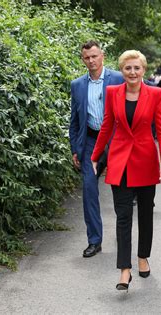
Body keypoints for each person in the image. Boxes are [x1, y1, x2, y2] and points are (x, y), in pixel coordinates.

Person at [90, 50, 161, 291]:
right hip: (120, 161)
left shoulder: (155, 94)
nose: (132, 72)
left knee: (145, 214)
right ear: (122, 70)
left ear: (143, 70)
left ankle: (142, 256)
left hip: (146, 162)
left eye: (136, 68)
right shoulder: (113, 92)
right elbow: (106, 126)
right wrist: (95, 156)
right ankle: (124, 269)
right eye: (128, 68)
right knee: (123, 216)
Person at [69, 40, 124, 258]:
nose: (91, 61)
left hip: (116, 140)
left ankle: (123, 234)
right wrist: (75, 148)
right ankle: (94, 240)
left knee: (121, 190)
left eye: (94, 56)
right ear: (83, 60)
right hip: (91, 142)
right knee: (89, 190)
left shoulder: (118, 79)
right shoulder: (77, 85)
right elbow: (74, 121)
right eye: (87, 57)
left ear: (102, 55)